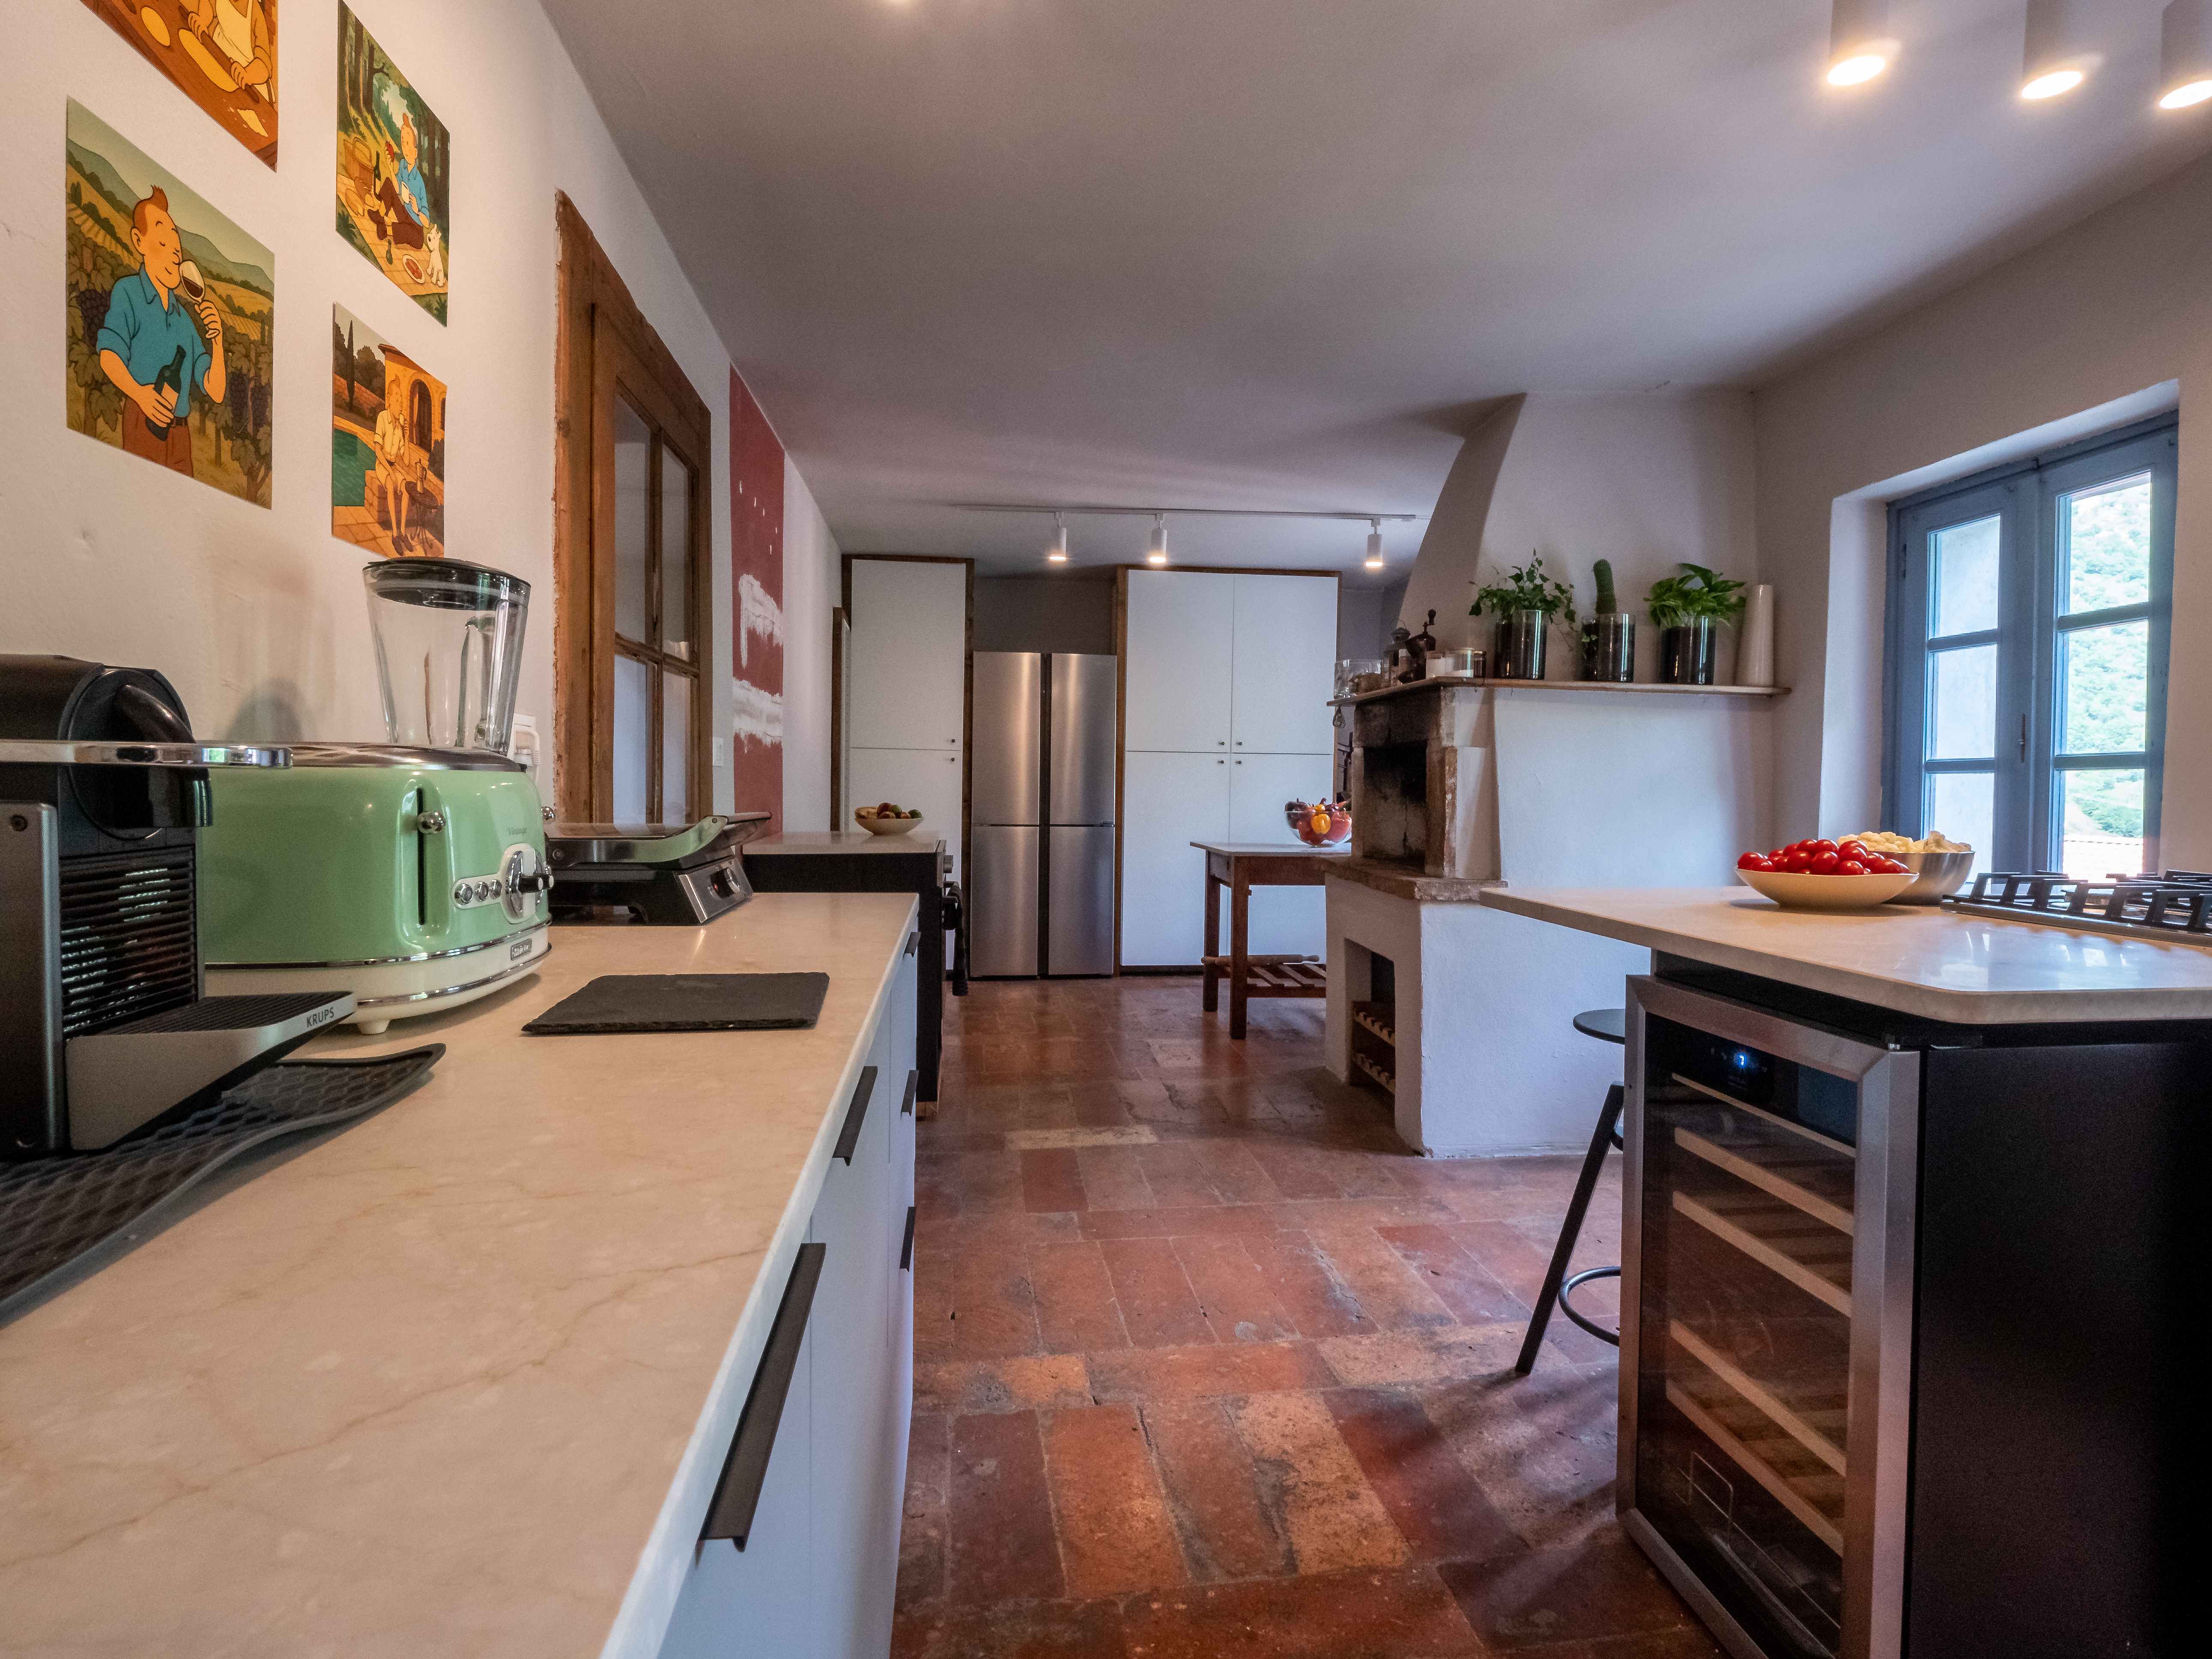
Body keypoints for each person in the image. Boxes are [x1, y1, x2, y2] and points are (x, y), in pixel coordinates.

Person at [96, 186, 225, 477]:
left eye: (177, 251)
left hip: (182, 439)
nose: (173, 252)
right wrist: (140, 395)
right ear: (138, 241)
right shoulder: (128, 292)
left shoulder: (185, 321)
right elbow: (108, 355)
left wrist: (217, 342)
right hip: (143, 422)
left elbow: (215, 391)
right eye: (163, 243)